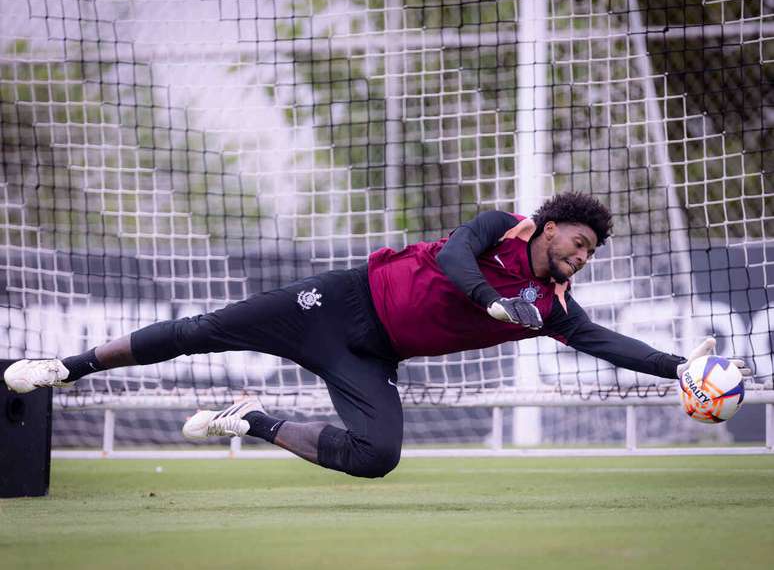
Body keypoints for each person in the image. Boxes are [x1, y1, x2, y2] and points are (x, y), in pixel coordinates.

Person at [4, 192, 750, 478]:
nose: (580, 257)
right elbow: (457, 256)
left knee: (379, 456)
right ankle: (64, 367)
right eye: (577, 242)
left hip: (368, 353)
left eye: (590, 254)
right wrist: (491, 300)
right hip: (332, 303)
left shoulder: (553, 307)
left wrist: (683, 367)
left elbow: (611, 344)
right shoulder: (501, 229)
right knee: (202, 330)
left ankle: (250, 420)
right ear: (550, 227)